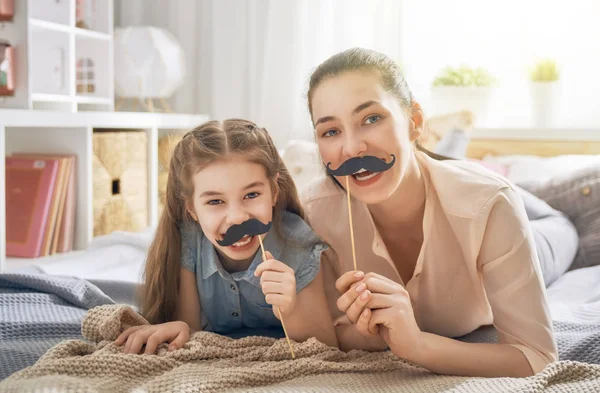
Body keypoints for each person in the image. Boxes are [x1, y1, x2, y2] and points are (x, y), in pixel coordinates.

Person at [301, 47, 572, 377]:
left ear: (415, 121)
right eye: (331, 131)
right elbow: (319, 337)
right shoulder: (313, 216)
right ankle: (452, 149)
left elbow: (538, 358)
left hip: (535, 230)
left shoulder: (491, 205)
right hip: (440, 174)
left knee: (562, 221)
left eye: (371, 119)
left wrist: (416, 345)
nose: (352, 148)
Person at [116, 119, 338, 355]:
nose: (236, 218)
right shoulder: (189, 239)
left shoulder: (299, 246)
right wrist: (179, 327)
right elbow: (188, 329)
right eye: (215, 201)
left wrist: (290, 309)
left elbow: (327, 347)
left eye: (251, 194)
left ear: (274, 191)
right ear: (192, 209)